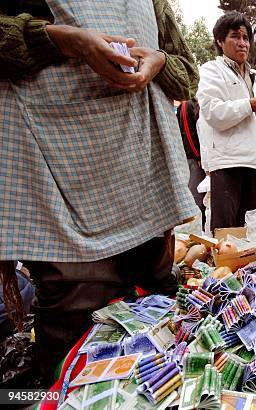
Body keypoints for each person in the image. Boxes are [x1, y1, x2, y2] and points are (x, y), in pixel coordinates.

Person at [1, 0, 199, 383]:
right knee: (75, 331)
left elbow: (186, 72)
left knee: (156, 316)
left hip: (143, 175)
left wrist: (157, 60)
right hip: (60, 174)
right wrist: (61, 40)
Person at [196, 11, 256, 230]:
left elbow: (251, 122)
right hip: (226, 163)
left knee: (250, 230)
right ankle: (222, 266)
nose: (242, 43)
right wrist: (249, 105)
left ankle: (246, 266)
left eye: (245, 38)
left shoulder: (253, 77)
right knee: (225, 231)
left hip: (252, 161)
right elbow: (213, 114)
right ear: (220, 41)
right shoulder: (211, 71)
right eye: (235, 36)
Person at [177, 97, 206, 230]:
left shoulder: (198, 101)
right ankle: (193, 231)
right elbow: (188, 133)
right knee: (196, 197)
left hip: (200, 158)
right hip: (193, 159)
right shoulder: (186, 104)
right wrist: (198, 156)